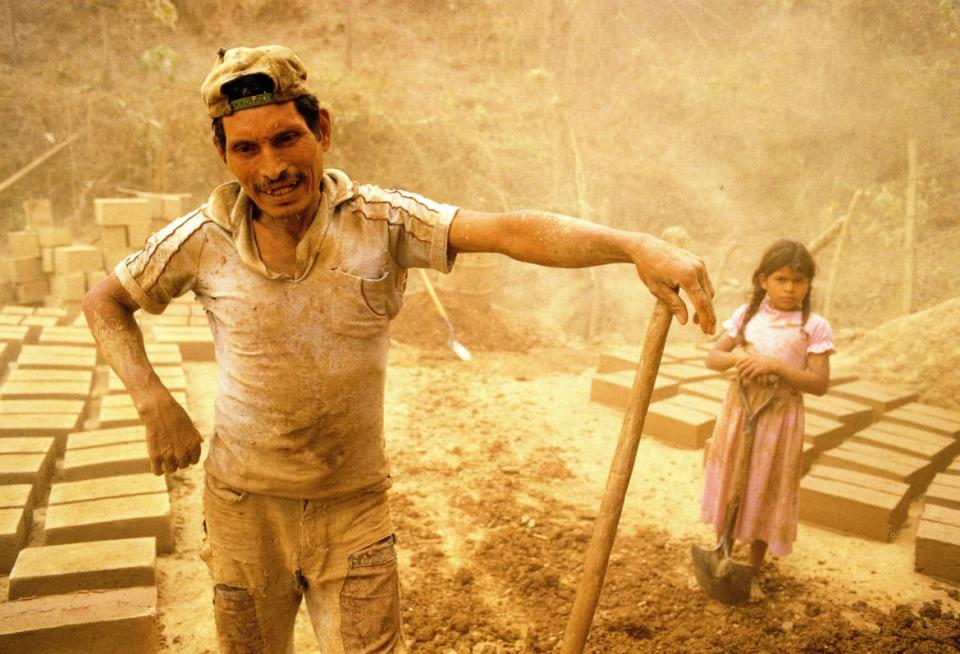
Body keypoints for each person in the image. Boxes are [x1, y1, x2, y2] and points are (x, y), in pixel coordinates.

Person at [83, 45, 716, 654]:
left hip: (353, 509)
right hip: (243, 510)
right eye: (246, 148)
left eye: (286, 139)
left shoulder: (382, 221)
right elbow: (104, 302)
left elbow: (509, 231)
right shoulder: (201, 239)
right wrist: (152, 400)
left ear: (321, 129)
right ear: (221, 152)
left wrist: (633, 244)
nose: (271, 168)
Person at [699, 239, 834, 598]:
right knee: (732, 475)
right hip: (740, 408)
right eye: (781, 279)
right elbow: (714, 358)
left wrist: (775, 365)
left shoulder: (814, 327)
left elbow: (819, 383)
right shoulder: (746, 316)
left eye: (799, 281)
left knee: (767, 484)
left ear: (808, 285)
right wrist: (741, 359)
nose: (790, 288)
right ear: (763, 281)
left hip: (779, 416)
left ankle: (752, 571)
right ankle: (721, 553)